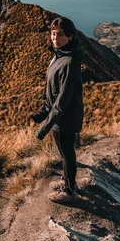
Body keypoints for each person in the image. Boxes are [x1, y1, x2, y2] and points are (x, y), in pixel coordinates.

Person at [32, 16, 84, 203]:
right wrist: (43, 111)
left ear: (70, 36)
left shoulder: (69, 62)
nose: (55, 38)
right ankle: (68, 181)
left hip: (65, 118)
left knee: (67, 152)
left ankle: (70, 192)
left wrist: (45, 126)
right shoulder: (59, 55)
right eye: (53, 34)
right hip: (60, 116)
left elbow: (63, 99)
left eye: (61, 35)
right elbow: (52, 91)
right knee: (64, 151)